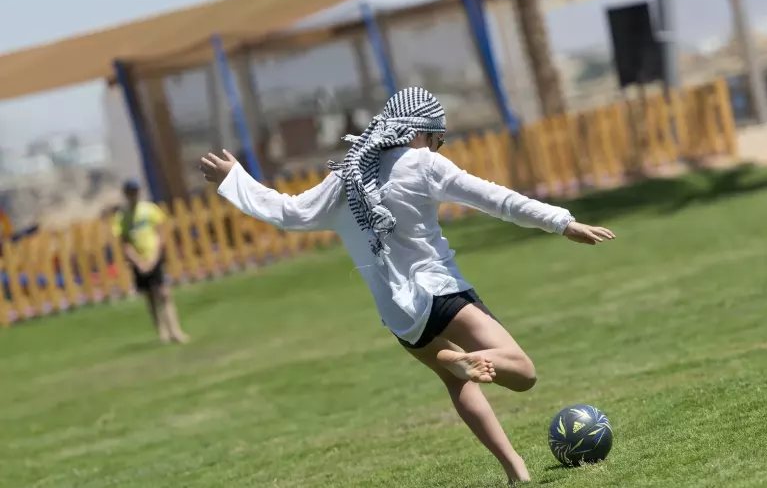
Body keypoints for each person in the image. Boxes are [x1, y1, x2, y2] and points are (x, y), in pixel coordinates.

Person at [199, 87, 615, 486]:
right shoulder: (423, 163)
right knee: (522, 372)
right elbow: (497, 199)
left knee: (456, 382)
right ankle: (467, 359)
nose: (438, 148)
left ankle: (515, 470)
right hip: (440, 290)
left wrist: (234, 178)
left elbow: (287, 212)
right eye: (438, 139)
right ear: (423, 132)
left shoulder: (345, 177)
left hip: (400, 315)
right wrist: (563, 223)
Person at [113, 179, 190, 344]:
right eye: (130, 192)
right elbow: (124, 242)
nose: (134, 195)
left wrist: (154, 256)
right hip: (138, 260)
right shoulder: (123, 217)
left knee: (164, 293)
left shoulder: (149, 210)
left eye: (135, 192)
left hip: (153, 256)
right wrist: (137, 261)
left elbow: (161, 232)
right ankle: (162, 332)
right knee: (150, 297)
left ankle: (175, 330)